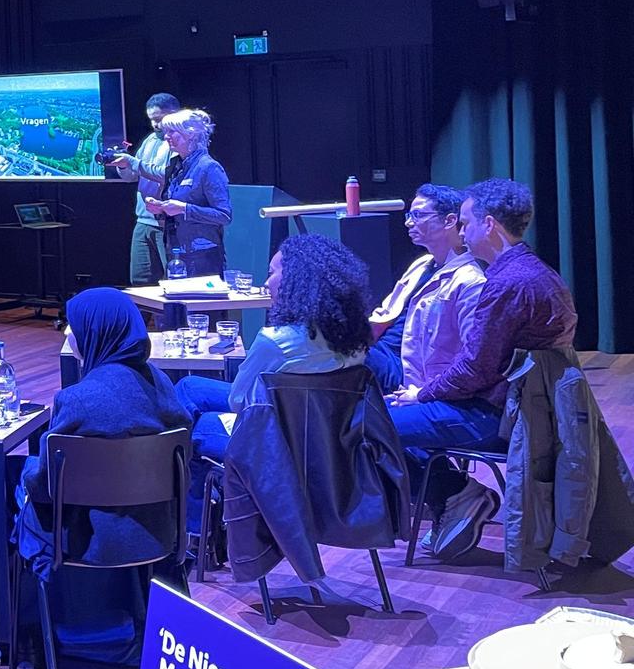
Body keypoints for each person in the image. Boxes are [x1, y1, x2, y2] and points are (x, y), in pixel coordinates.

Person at [391, 178, 577, 561]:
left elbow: (475, 370)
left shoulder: (506, 284)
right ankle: (457, 496)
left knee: (367, 425)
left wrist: (421, 394)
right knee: (381, 414)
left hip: (498, 419)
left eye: (465, 223)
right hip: (526, 412)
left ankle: (457, 494)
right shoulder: (536, 273)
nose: (461, 233)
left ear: (488, 225)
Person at [15, 288, 192, 666]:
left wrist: (27, 472)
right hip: (158, 534)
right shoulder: (163, 385)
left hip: (93, 541)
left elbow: (46, 487)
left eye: (74, 328)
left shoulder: (78, 399)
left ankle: (25, 636)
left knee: (16, 486)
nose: (69, 336)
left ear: (96, 332)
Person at [175, 234, 373, 507]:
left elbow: (239, 402)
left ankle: (194, 521)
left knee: (198, 428)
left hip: (281, 444)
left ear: (296, 280)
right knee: (190, 387)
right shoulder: (355, 337)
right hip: (331, 437)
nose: (266, 283)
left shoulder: (276, 341)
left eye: (271, 274)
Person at [363, 185, 486, 395]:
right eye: (409, 215)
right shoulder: (422, 264)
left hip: (406, 370)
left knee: (335, 350)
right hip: (380, 350)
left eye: (418, 215)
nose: (408, 222)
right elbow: (385, 313)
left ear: (449, 221)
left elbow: (472, 354)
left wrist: (425, 391)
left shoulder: (470, 279)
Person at [145, 109, 231, 277]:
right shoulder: (175, 166)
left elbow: (224, 215)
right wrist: (160, 209)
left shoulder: (209, 167)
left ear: (190, 134)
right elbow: (175, 208)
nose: (166, 136)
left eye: (172, 131)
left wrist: (184, 209)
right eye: (165, 132)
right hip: (176, 251)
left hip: (202, 255)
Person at [106, 93, 182, 284]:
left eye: (159, 118)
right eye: (152, 119)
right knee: (140, 281)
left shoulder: (180, 142)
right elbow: (132, 176)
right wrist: (123, 165)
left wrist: (133, 162)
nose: (155, 124)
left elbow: (167, 175)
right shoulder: (150, 140)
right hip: (143, 220)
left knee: (174, 280)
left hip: (168, 223)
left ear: (175, 113)